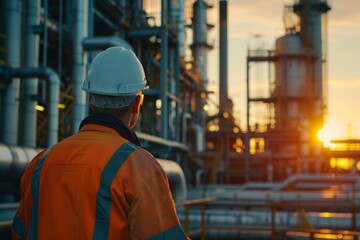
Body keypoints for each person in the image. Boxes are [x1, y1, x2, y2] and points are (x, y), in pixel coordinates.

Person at [11, 47, 189, 240]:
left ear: (90, 100)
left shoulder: (40, 163)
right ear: (137, 104)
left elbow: (19, 233)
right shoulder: (140, 168)